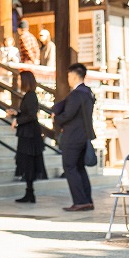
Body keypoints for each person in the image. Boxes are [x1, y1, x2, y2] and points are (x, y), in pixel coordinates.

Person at [53, 62, 96, 212]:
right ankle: (87, 201)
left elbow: (68, 115)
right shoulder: (88, 93)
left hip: (73, 137)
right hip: (84, 136)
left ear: (73, 75)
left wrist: (56, 118)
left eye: (69, 76)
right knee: (79, 168)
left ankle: (80, 201)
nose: (68, 79)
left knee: (70, 167)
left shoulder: (76, 94)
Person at [11, 69, 48, 204]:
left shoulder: (31, 95)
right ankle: (29, 192)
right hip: (27, 133)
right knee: (27, 164)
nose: (19, 82)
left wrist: (18, 120)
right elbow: (28, 113)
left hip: (30, 135)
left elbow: (31, 115)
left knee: (28, 163)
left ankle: (30, 193)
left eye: (21, 79)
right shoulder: (28, 95)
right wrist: (16, 114)